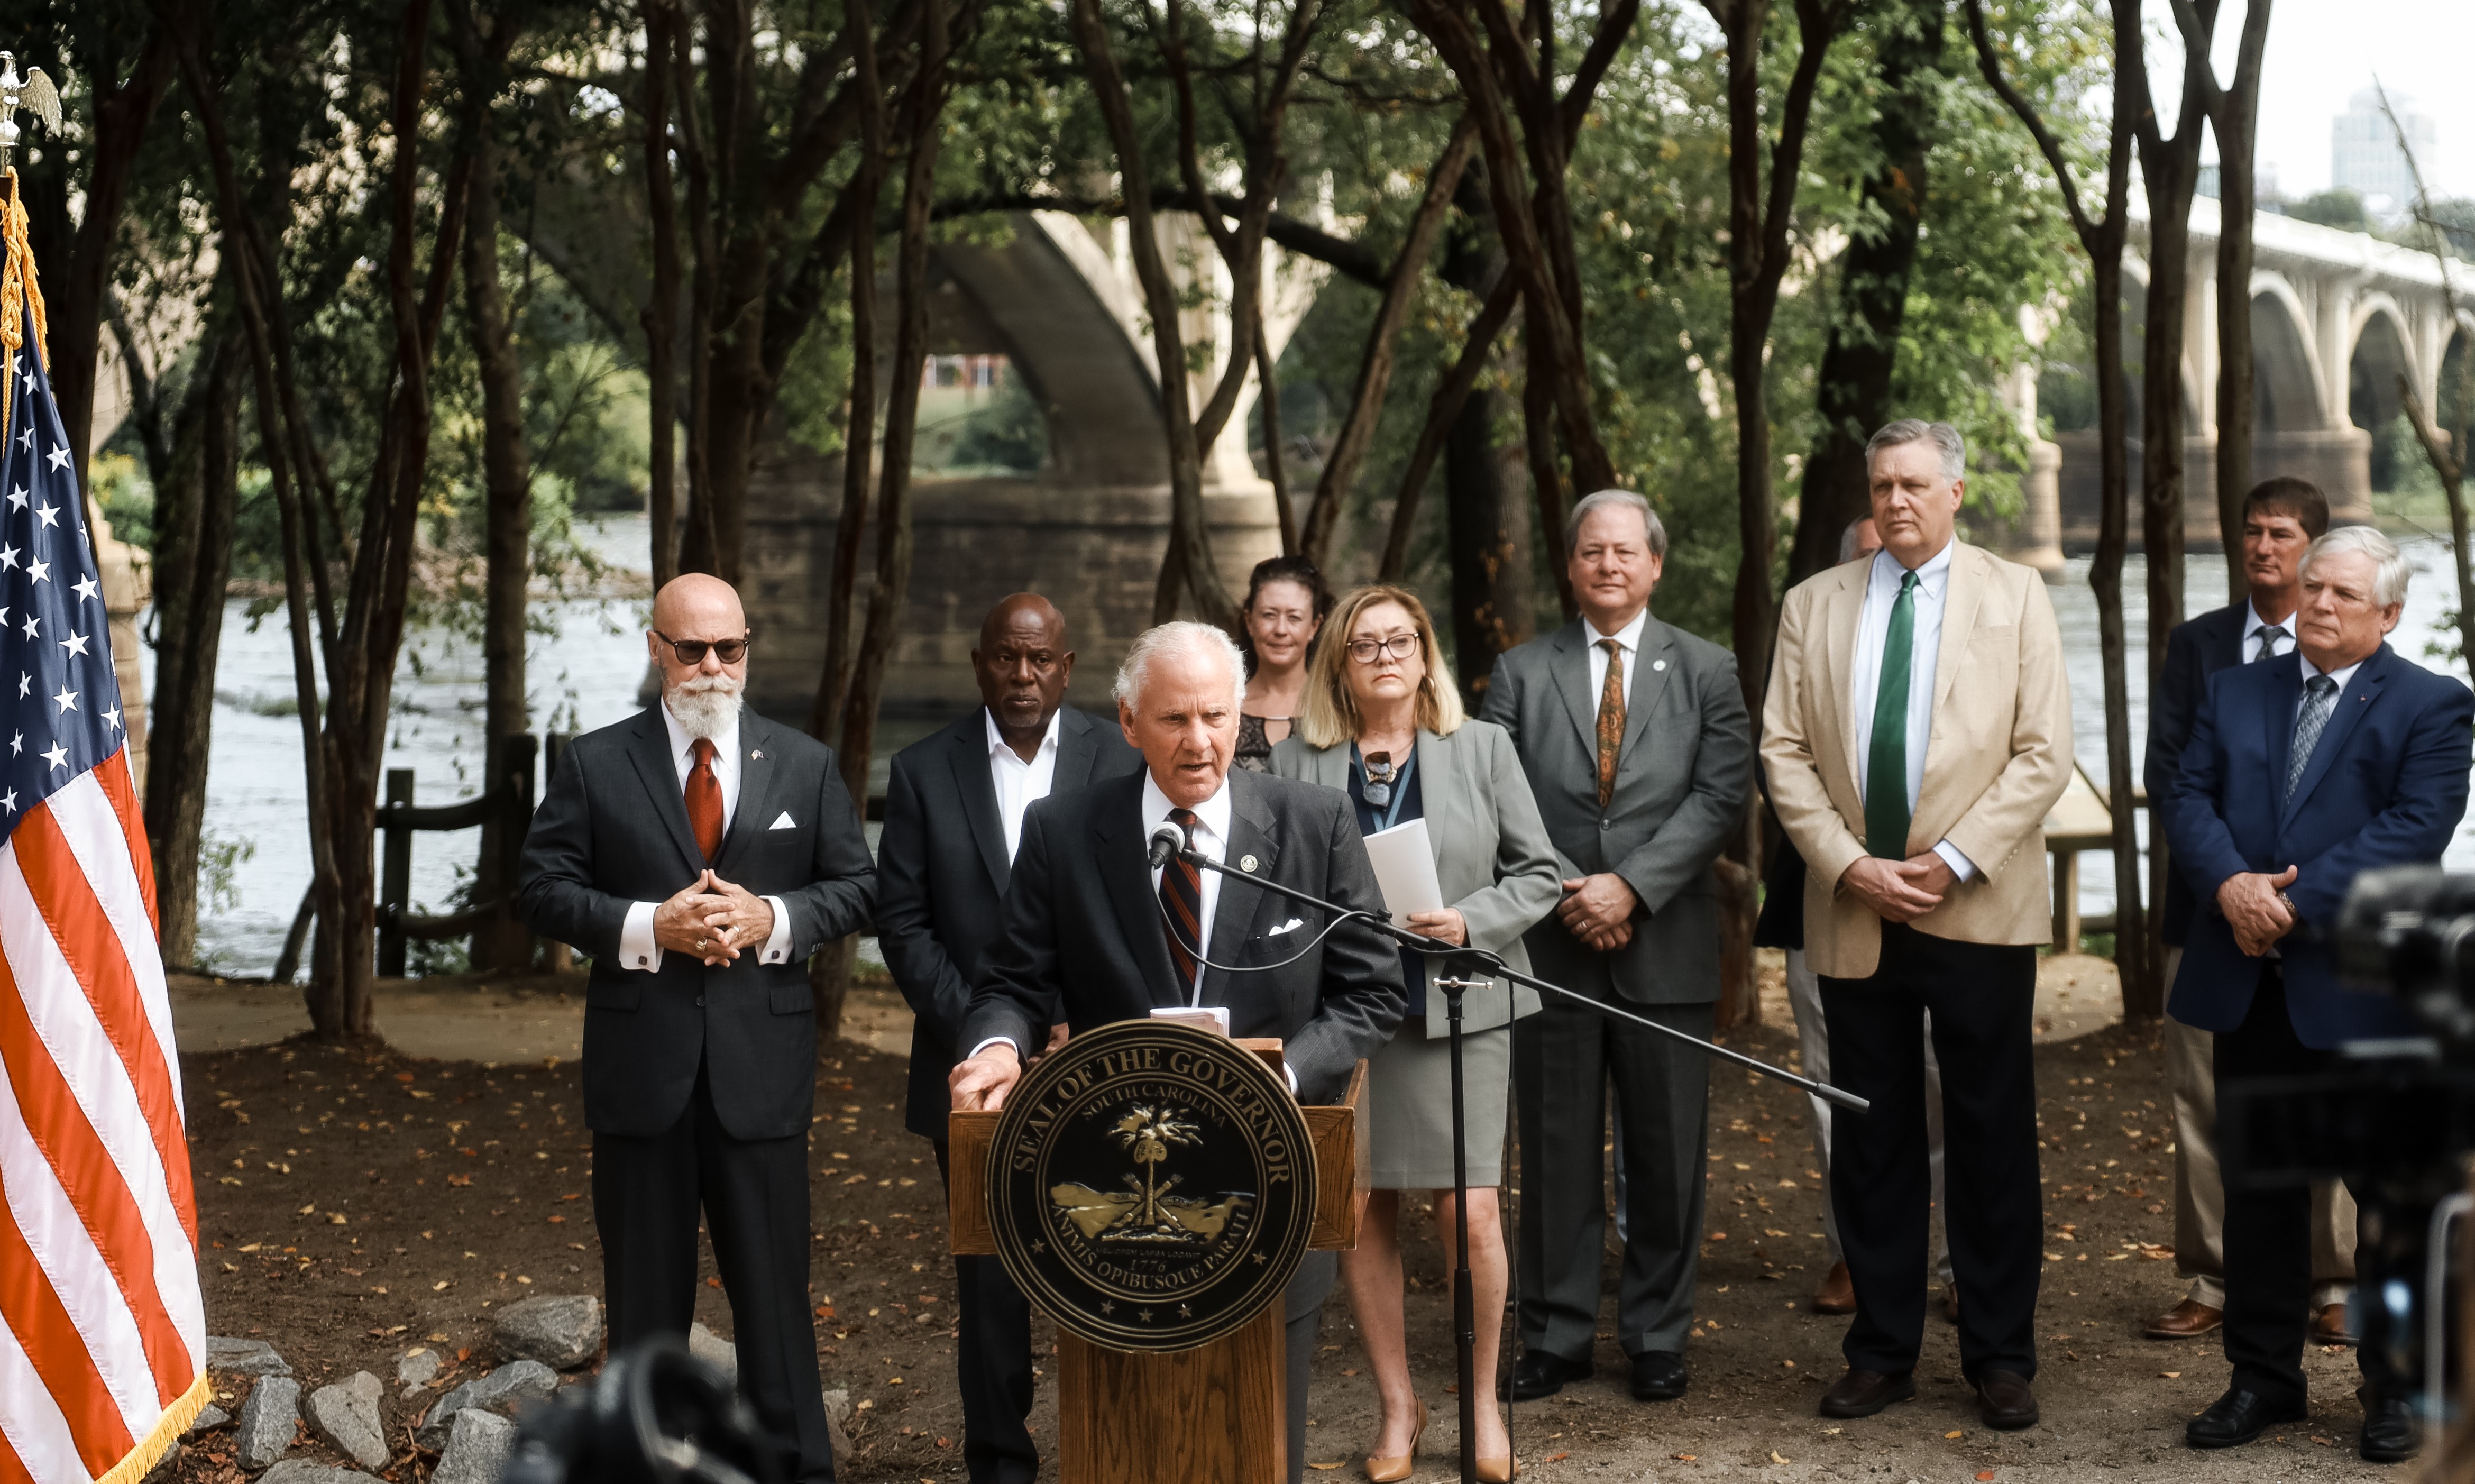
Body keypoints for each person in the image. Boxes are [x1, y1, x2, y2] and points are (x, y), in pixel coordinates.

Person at [948, 621, 1406, 1484]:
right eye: (1174, 720)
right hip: (1111, 1210)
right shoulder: (1063, 830)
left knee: (1262, 1444)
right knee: (1129, 1438)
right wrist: (1001, 1046)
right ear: (1128, 722)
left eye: (1216, 717)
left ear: (1243, 719)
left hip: (1279, 1180)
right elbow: (1008, 980)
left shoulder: (1314, 824)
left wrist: (1285, 1075)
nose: (1199, 741)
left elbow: (1374, 992)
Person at [518, 573, 876, 1483]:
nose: (714, 666)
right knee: (643, 1317)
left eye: (732, 648)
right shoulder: (596, 764)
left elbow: (858, 887)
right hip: (644, 1082)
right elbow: (542, 889)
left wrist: (773, 920)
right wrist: (648, 927)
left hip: (763, 1078)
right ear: (657, 648)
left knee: (777, 1315)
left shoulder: (803, 762)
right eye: (694, 648)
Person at [1761, 419, 2071, 1433]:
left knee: (1989, 1132)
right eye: (1882, 484)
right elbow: (1784, 754)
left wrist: (1949, 859)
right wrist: (1853, 864)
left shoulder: (2014, 593)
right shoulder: (1814, 603)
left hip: (1974, 902)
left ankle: (2000, 1356)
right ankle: (1883, 1350)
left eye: (1915, 485)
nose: (1896, 501)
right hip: (1854, 906)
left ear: (1956, 493)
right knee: (1872, 1137)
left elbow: (2043, 753)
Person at [2164, 525, 2474, 1462]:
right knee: (2260, 1189)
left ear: (2389, 612)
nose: (2320, 606)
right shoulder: (2234, 690)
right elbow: (2185, 795)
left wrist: (2287, 905)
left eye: (2342, 594)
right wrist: (2229, 886)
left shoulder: (2434, 705)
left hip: (2365, 993)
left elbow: (2416, 830)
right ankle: (2263, 1377)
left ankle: (2397, 1389)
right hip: (2251, 983)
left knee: (2384, 1200)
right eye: (2313, 589)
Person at [1270, 585, 1560, 1482]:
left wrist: (1468, 920)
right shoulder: (1297, 759)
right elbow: (1275, 887)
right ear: (1341, 666)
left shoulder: (1483, 749)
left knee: (1467, 1211)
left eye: (1402, 640)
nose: (1387, 655)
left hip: (1460, 1007)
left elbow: (1542, 873)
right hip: (1346, 1016)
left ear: (1427, 652)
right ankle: (1399, 1403)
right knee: (1360, 1213)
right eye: (1366, 645)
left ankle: (1479, 1406)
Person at [1477, 489, 1753, 1406]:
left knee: (1668, 1152)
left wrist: (1630, 886)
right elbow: (1498, 796)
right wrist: (1570, 888)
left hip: (1666, 942)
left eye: (1625, 552)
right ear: (1570, 564)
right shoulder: (1519, 672)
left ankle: (1657, 1334)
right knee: (1555, 1149)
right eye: (1591, 551)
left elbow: (1719, 797)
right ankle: (1555, 1335)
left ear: (1656, 564)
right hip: (1550, 948)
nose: (1608, 565)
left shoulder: (1708, 669)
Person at [874, 593, 1142, 1484]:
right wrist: (994, 1035)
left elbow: (1136, 912)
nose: (1021, 677)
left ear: (1068, 668)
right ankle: (999, 1459)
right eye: (1005, 659)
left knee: (1110, 1254)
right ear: (979, 662)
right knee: (990, 1274)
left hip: (1100, 1059)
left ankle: (1110, 1448)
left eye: (1040, 662)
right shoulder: (921, 771)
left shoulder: (1119, 757)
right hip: (970, 1067)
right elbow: (905, 927)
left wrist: (1074, 1023)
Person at [2142, 479, 2358, 1347]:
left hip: (2320, 915)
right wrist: (2235, 882)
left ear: (2315, 549)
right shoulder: (2197, 646)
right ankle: (2213, 1278)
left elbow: (2358, 785)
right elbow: (2170, 776)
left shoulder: (2348, 640)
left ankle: (2335, 1279)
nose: (2263, 546)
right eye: (2252, 532)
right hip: (2207, 909)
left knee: (2327, 1094)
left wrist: (2293, 892)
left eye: (2281, 533)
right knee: (2203, 1102)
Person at [1756, 516, 1955, 1322]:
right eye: (1870, 559)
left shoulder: (1960, 631)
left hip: (1947, 894)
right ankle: (1854, 1251)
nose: (1890, 570)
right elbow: (1784, 758)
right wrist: (1851, 863)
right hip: (1829, 896)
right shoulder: (1814, 628)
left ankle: (1946, 1259)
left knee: (1944, 1085)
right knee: (1835, 1086)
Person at [1236, 555, 1332, 771]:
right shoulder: (1223, 706)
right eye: (1269, 615)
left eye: (1294, 618)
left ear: (1314, 626)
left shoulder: (1337, 706)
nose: (1281, 630)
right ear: (1250, 622)